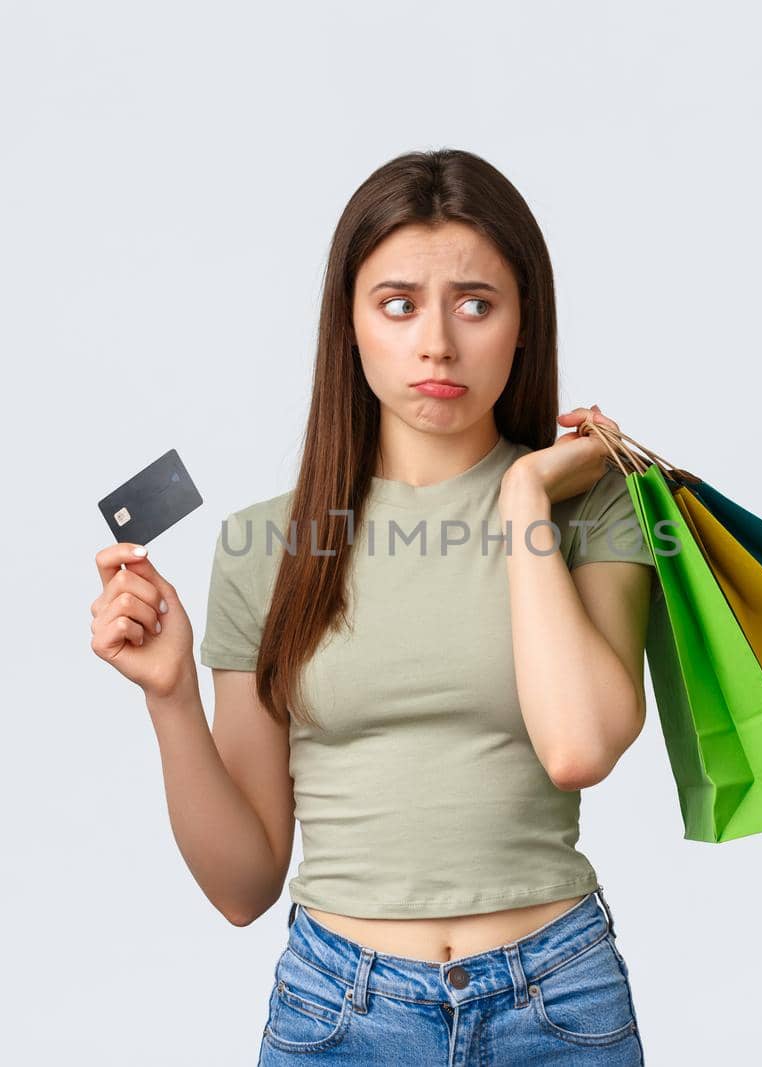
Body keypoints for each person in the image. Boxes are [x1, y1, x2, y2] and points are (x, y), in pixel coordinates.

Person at [89, 148, 659, 1064]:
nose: (438, 341)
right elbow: (243, 886)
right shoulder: (262, 547)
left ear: (523, 324)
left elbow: (581, 745)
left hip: (558, 1004)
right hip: (339, 1011)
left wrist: (522, 503)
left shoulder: (590, 509)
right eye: (398, 304)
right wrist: (170, 699)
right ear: (349, 327)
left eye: (476, 303)